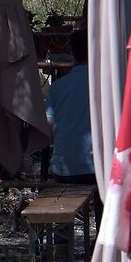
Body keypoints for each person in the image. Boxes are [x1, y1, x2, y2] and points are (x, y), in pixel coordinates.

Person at [44, 30, 94, 181]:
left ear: (71, 52)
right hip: (98, 166)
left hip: (64, 167)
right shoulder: (106, 84)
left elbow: (48, 126)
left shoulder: (58, 86)